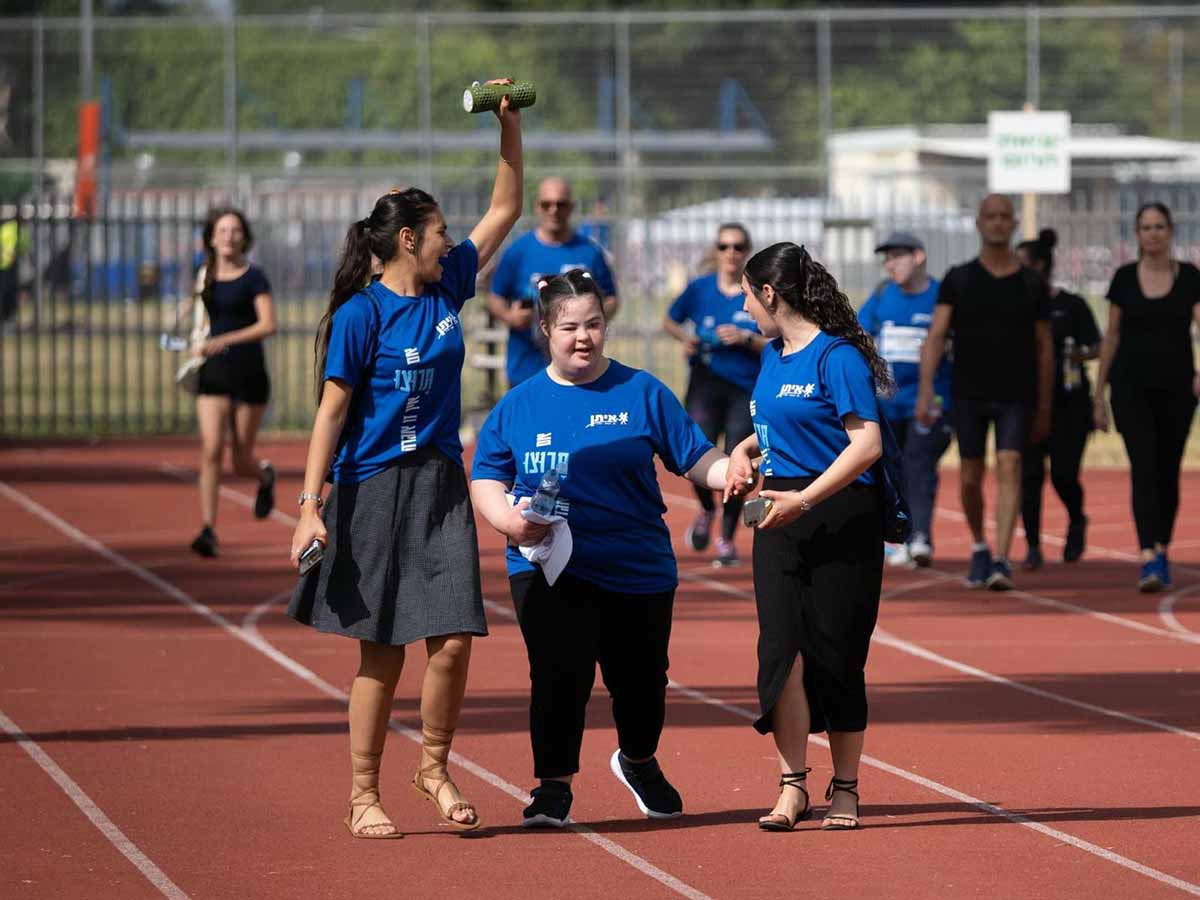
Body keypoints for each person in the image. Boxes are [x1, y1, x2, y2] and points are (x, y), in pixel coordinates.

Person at [286, 86, 523, 839]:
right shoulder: (361, 314)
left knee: (453, 639)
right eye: (439, 231)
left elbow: (506, 208)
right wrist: (309, 506)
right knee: (382, 654)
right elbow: (330, 414)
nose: (452, 241)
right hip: (372, 490)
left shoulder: (448, 284)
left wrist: (508, 127)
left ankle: (434, 766)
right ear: (406, 241)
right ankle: (362, 793)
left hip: (441, 486)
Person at [470, 269, 731, 828]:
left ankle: (637, 760)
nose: (582, 337)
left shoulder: (641, 391)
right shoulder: (519, 405)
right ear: (545, 329)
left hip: (636, 564)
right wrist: (507, 523)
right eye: (569, 327)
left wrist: (731, 472)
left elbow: (696, 456)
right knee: (559, 674)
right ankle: (553, 787)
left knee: (640, 682)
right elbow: (487, 475)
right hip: (545, 566)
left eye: (593, 324)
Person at [725, 242, 892, 833]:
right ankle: (792, 786)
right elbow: (772, 424)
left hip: (840, 514)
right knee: (781, 654)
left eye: (747, 295)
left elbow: (866, 445)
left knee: (838, 656)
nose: (744, 307)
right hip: (778, 516)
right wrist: (746, 450)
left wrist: (805, 498)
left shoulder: (837, 356)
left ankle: (845, 787)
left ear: (770, 293)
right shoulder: (772, 355)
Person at [917, 194, 1053, 591]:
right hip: (968, 392)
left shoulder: (1032, 282)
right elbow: (937, 335)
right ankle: (979, 544)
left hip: (1018, 393)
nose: (997, 223)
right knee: (971, 475)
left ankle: (1002, 558)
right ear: (978, 223)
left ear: (1013, 225)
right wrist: (926, 390)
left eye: (1004, 217)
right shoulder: (958, 279)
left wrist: (1045, 404)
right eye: (990, 216)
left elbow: (1045, 348)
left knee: (1010, 464)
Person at [1093, 202, 1200, 592]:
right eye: (1145, 227)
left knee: (1167, 471)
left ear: (1171, 231)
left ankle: (1162, 545)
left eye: (1159, 226)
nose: (1153, 233)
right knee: (1143, 467)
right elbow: (1112, 335)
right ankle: (1147, 556)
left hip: (1176, 391)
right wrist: (1098, 392)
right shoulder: (1123, 278)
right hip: (1130, 388)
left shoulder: (1189, 277)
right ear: (1136, 235)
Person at [663, 222, 764, 567]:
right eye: (724, 246)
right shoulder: (700, 288)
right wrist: (686, 339)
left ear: (747, 251)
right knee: (696, 451)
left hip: (744, 388)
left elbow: (778, 339)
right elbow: (670, 320)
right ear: (715, 251)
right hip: (705, 385)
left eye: (738, 246)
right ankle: (707, 509)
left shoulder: (757, 292)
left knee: (738, 461)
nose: (731, 253)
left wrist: (745, 339)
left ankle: (727, 537)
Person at [184, 207, 278, 558]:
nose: (228, 236)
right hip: (213, 373)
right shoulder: (204, 276)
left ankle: (264, 476)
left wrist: (227, 340)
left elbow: (268, 324)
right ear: (210, 237)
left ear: (244, 237)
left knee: (240, 459)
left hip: (249, 372)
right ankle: (208, 529)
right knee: (210, 450)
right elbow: (201, 316)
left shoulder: (255, 278)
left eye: (235, 230)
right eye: (222, 230)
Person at [857, 231, 953, 568]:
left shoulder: (941, 297)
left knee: (919, 465)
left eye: (897, 256)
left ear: (918, 256)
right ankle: (897, 536)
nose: (890, 264)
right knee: (888, 469)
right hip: (887, 404)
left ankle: (920, 537)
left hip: (929, 402)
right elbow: (860, 333)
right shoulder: (883, 295)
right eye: (886, 258)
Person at [1016, 229, 1100, 570]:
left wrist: (1074, 355)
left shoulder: (1071, 305)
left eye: (1023, 265)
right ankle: (1033, 545)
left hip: (1070, 405)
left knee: (1064, 474)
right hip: (1025, 403)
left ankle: (1077, 519)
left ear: (1041, 266)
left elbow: (1097, 345)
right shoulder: (1013, 308)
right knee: (1029, 477)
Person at [487, 177, 619, 388]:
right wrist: (510, 316)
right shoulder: (518, 251)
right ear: (537, 207)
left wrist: (593, 317)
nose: (553, 210)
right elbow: (495, 297)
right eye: (546, 204)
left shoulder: (590, 252)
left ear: (571, 207)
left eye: (561, 204)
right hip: (527, 371)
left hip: (579, 372)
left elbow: (611, 298)